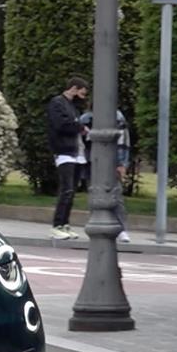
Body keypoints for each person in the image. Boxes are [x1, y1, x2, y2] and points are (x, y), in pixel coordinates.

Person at [79, 108, 133, 242]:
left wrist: (121, 164)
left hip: (109, 161)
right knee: (95, 194)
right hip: (92, 161)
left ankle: (121, 229)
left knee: (116, 195)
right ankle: (96, 224)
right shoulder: (86, 118)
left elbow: (122, 141)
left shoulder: (116, 117)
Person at [46, 77, 88, 240]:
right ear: (74, 88)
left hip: (75, 152)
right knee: (66, 189)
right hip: (64, 151)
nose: (83, 97)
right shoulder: (58, 103)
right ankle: (57, 225)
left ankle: (64, 224)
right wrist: (80, 127)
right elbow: (61, 124)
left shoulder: (71, 106)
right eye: (82, 93)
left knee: (71, 191)